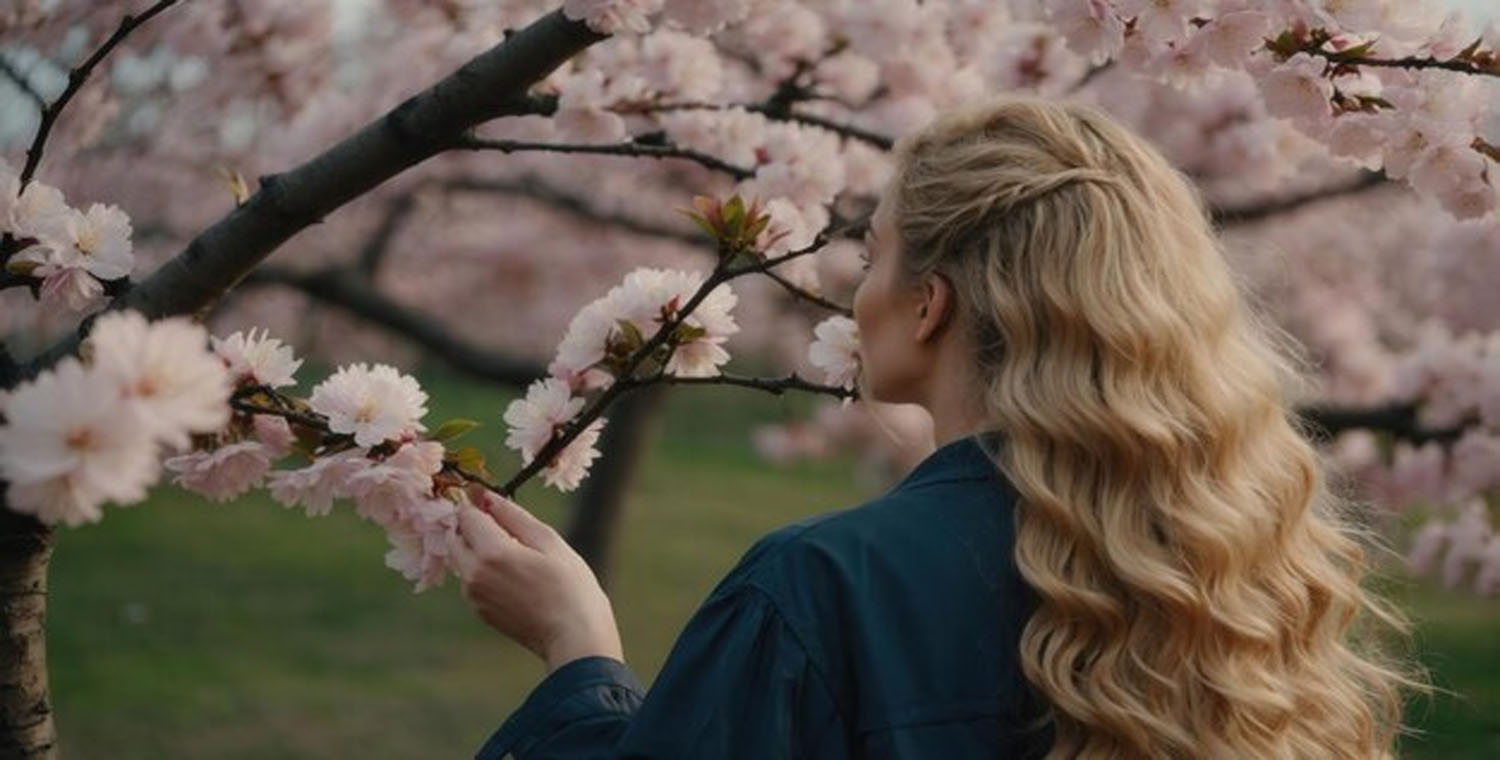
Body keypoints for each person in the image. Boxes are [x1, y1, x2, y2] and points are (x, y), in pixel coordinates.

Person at [451, 97, 1415, 760]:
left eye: (872, 255)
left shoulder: (817, 589)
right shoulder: (1238, 576)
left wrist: (578, 652)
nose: (854, 291)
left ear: (928, 305)